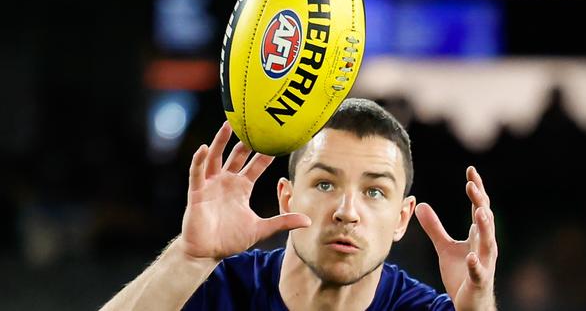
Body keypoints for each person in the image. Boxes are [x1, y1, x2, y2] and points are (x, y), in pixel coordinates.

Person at [101, 98, 498, 311]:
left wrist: (479, 308)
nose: (347, 210)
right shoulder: (219, 290)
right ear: (286, 197)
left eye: (374, 191)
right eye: (325, 183)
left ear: (401, 218)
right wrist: (188, 258)